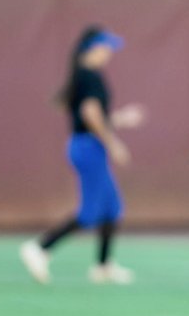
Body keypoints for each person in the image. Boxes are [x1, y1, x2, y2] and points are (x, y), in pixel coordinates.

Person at [20, 26, 143, 285]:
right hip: (88, 148)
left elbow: (90, 116)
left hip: (87, 145)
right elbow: (90, 115)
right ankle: (40, 248)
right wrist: (113, 144)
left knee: (112, 208)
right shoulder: (89, 77)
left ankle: (103, 266)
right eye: (105, 47)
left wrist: (120, 119)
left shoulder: (83, 75)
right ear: (92, 49)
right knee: (89, 212)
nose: (108, 52)